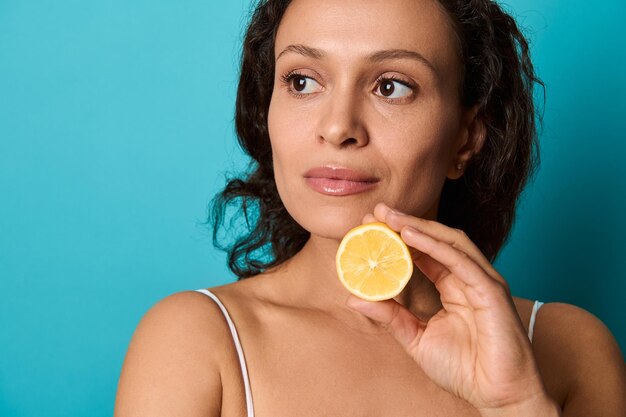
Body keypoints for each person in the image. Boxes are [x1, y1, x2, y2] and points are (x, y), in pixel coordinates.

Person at [114, 0, 626, 415]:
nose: (337, 127)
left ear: (466, 139)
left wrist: (517, 404)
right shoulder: (195, 342)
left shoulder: (570, 350)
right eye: (302, 81)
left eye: (391, 86)